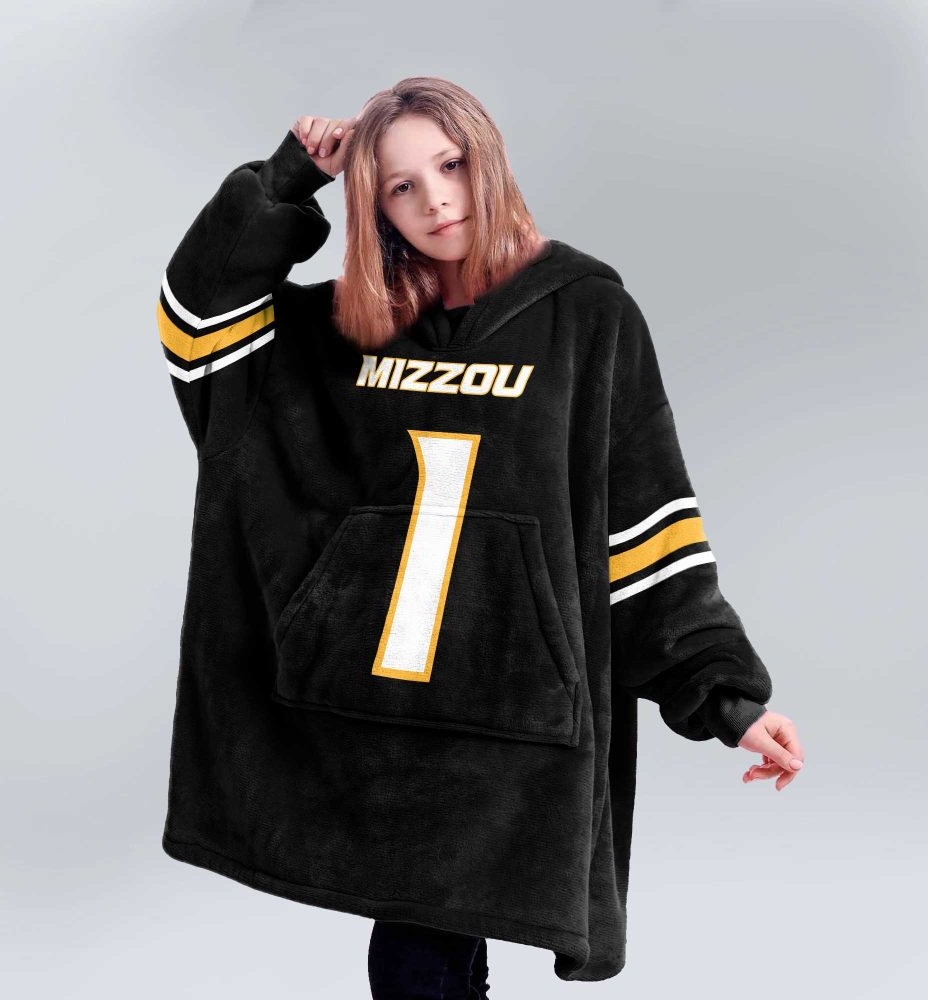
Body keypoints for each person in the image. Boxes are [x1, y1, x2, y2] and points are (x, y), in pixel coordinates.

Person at [157, 77, 804, 995]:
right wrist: (285, 180)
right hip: (383, 716)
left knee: (425, 959)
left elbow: (644, 526)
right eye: (401, 186)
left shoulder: (587, 316)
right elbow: (199, 325)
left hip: (516, 713)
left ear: (485, 159)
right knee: (424, 959)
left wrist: (727, 699)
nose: (436, 200)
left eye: (450, 165)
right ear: (376, 207)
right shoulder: (349, 328)